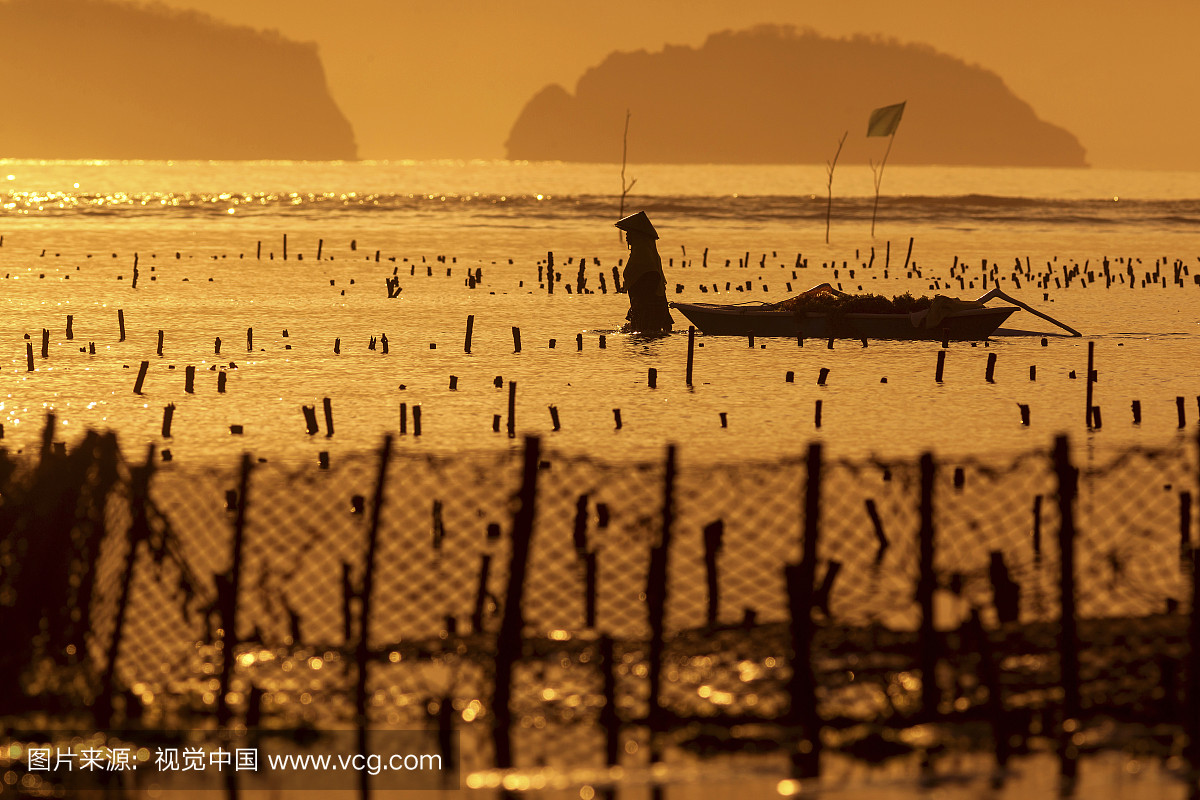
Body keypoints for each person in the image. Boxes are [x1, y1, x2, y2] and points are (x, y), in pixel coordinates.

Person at [615, 211, 673, 333]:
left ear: (638, 236)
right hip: (641, 311)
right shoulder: (638, 254)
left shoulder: (644, 257)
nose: (626, 237)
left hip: (648, 314)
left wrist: (638, 309)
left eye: (629, 233)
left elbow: (650, 288)